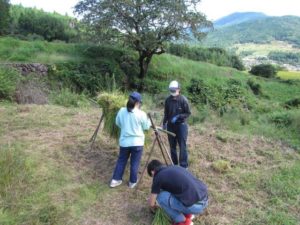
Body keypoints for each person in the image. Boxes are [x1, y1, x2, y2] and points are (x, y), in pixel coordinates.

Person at [147, 159, 208, 225]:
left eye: (152, 176)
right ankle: (188, 215)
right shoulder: (174, 167)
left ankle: (183, 221)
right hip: (204, 199)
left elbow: (151, 204)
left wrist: (155, 207)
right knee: (176, 192)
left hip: (194, 206)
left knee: (160, 198)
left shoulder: (158, 177)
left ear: (152, 172)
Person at [110, 92, 151, 188]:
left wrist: (125, 128)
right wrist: (148, 121)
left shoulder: (121, 111)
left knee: (121, 160)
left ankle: (115, 180)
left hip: (124, 142)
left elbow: (117, 123)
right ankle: (132, 182)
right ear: (138, 102)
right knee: (135, 162)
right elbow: (146, 127)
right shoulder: (141, 114)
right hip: (137, 143)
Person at [163, 80, 191, 168]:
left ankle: (183, 166)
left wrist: (179, 116)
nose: (173, 92)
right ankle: (174, 164)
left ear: (178, 89)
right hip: (171, 126)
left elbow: (188, 113)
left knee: (182, 146)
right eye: (171, 90)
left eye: (174, 90)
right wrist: (164, 123)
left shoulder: (183, 100)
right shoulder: (168, 100)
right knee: (172, 146)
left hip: (181, 126)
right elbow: (166, 113)